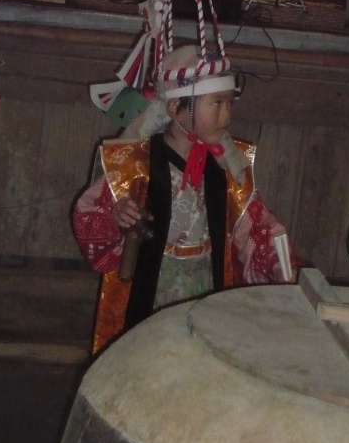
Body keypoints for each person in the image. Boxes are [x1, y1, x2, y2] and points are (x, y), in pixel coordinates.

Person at [72, 44, 298, 355]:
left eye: (229, 103)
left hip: (207, 286)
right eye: (215, 103)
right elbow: (89, 213)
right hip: (153, 287)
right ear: (175, 107)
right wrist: (115, 217)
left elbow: (253, 223)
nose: (226, 114)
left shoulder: (227, 167)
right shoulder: (133, 162)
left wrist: (276, 259)